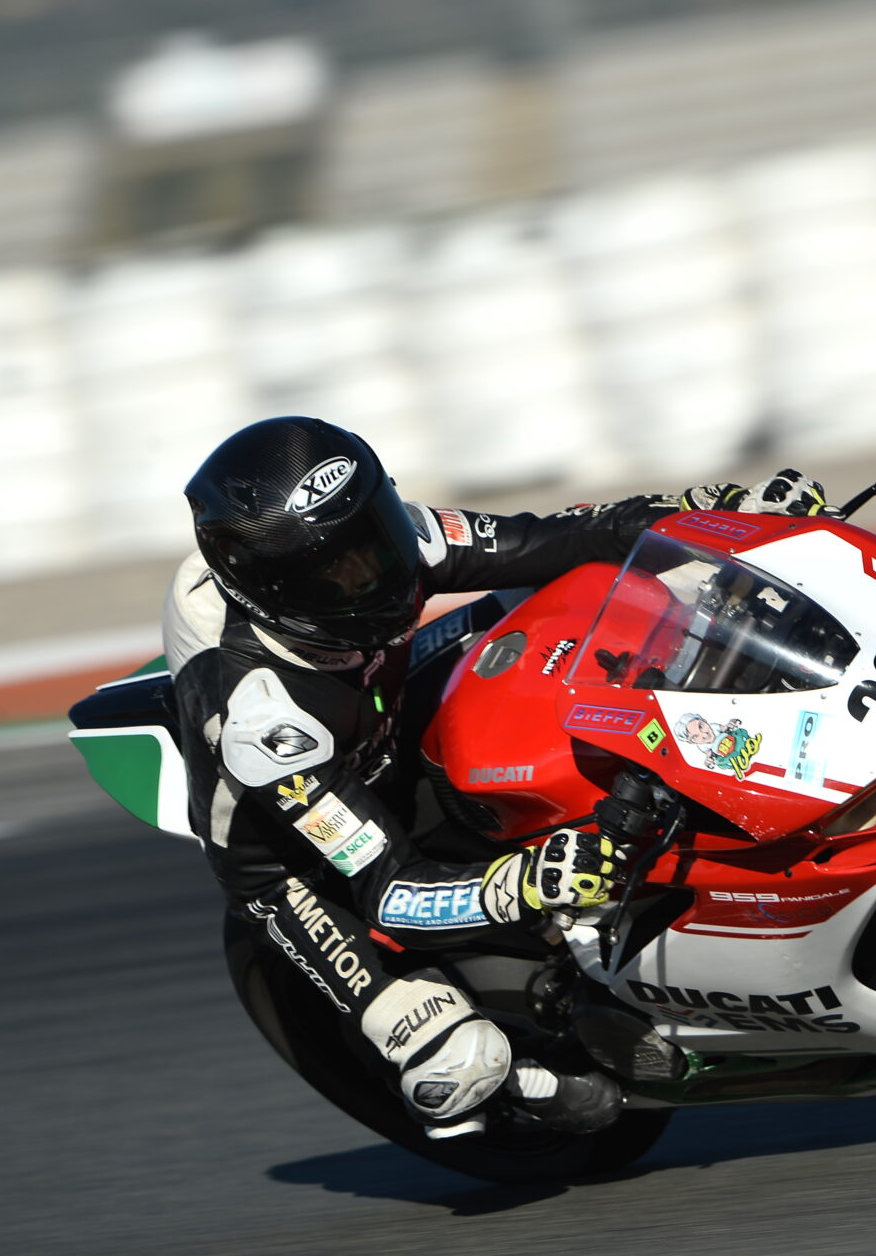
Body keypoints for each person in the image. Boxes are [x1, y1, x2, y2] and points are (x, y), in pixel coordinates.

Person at [163, 415, 828, 1138]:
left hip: (376, 712)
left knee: (591, 599)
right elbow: (391, 890)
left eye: (378, 535)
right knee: (461, 1063)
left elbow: (560, 537)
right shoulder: (265, 724)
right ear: (274, 593)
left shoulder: (386, 540)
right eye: (342, 571)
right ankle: (520, 1080)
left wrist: (709, 520)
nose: (380, 572)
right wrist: (527, 882)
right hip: (297, 864)